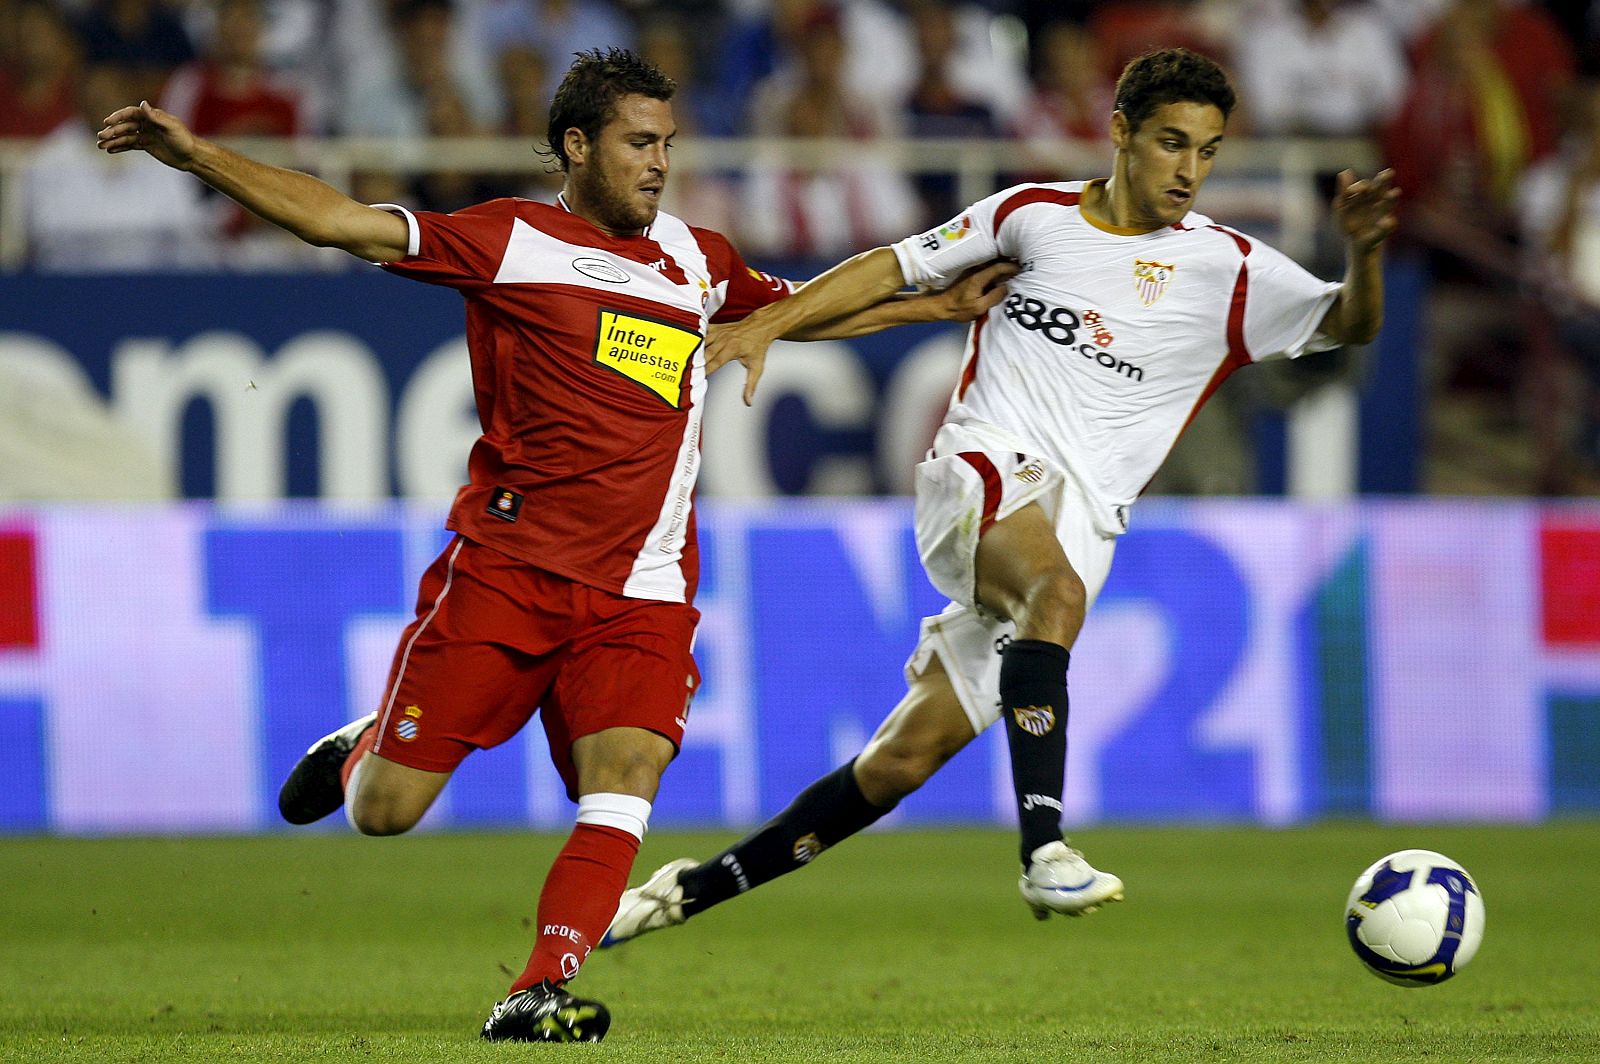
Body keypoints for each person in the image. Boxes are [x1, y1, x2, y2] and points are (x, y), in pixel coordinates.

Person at [95, 47, 1011, 1043]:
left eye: (666, 143)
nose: (657, 162)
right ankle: (367, 739)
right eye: (636, 143)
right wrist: (194, 157)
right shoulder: (509, 241)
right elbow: (335, 219)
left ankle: (534, 986)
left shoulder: (696, 256)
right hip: (507, 574)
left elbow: (790, 310)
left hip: (643, 588)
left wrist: (933, 301)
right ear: (576, 147)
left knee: (628, 773)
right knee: (384, 810)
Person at [603, 47, 1398, 950]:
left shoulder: (1229, 269)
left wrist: (1362, 253)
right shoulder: (1034, 216)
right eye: (1172, 143)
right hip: (980, 472)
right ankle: (1045, 847)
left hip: (1081, 524)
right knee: (1052, 596)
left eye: (1208, 151)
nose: (1189, 169)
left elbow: (1347, 322)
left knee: (899, 762)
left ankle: (687, 891)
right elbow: (895, 266)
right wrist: (765, 324)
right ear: (1121, 133)